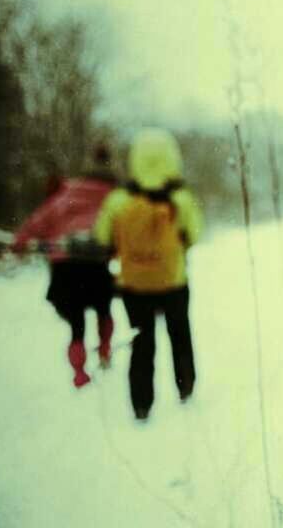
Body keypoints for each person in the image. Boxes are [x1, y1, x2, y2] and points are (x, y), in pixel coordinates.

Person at [94, 128, 203, 421]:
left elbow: (103, 238)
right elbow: (193, 235)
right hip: (173, 281)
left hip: (134, 285)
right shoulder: (181, 199)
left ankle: (142, 403)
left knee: (141, 343)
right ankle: (186, 388)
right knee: (179, 334)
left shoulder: (118, 200)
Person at [13, 144, 118, 388]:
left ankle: (79, 373)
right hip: (95, 263)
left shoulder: (64, 195)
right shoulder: (112, 196)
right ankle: (104, 350)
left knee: (76, 324)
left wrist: (19, 243)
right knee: (104, 310)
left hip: (65, 267)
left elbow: (36, 223)